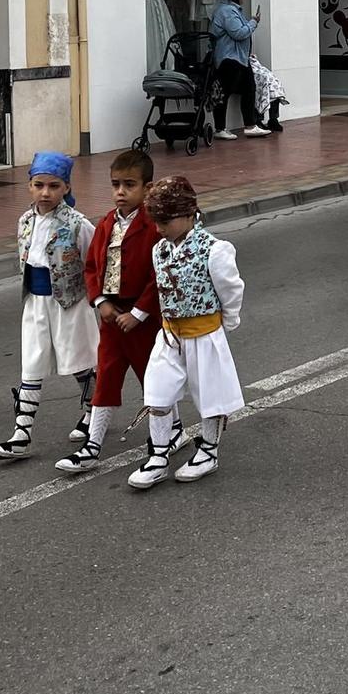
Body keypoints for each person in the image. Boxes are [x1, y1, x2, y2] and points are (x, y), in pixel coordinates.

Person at [130, 175, 246, 488]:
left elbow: (231, 289)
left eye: (165, 221)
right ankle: (158, 455)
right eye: (156, 221)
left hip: (203, 334)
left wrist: (228, 321)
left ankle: (208, 451)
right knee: (158, 389)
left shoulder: (215, 250)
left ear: (187, 215)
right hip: (169, 335)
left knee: (211, 394)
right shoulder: (160, 250)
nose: (159, 228)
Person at [0, 152, 99, 461]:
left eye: (53, 186)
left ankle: (93, 414)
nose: (45, 193)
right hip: (36, 302)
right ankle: (21, 434)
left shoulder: (78, 225)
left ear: (66, 187)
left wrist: (96, 300)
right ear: (30, 187)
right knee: (32, 363)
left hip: (70, 303)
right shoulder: (24, 221)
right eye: (39, 185)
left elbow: (94, 262)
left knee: (79, 361)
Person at [56, 149, 158, 474]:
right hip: (112, 317)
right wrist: (100, 302)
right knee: (107, 379)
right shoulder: (105, 224)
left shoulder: (155, 227)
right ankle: (93, 445)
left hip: (142, 322)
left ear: (147, 188)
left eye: (129, 185)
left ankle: (168, 434)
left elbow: (160, 276)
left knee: (154, 382)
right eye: (115, 184)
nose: (120, 192)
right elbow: (91, 267)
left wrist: (139, 312)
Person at [208, 0, 271, 140]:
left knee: (249, 88)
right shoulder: (227, 11)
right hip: (229, 60)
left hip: (239, 58)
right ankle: (220, 128)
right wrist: (253, 22)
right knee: (224, 93)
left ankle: (250, 125)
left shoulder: (230, 10)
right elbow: (239, 33)